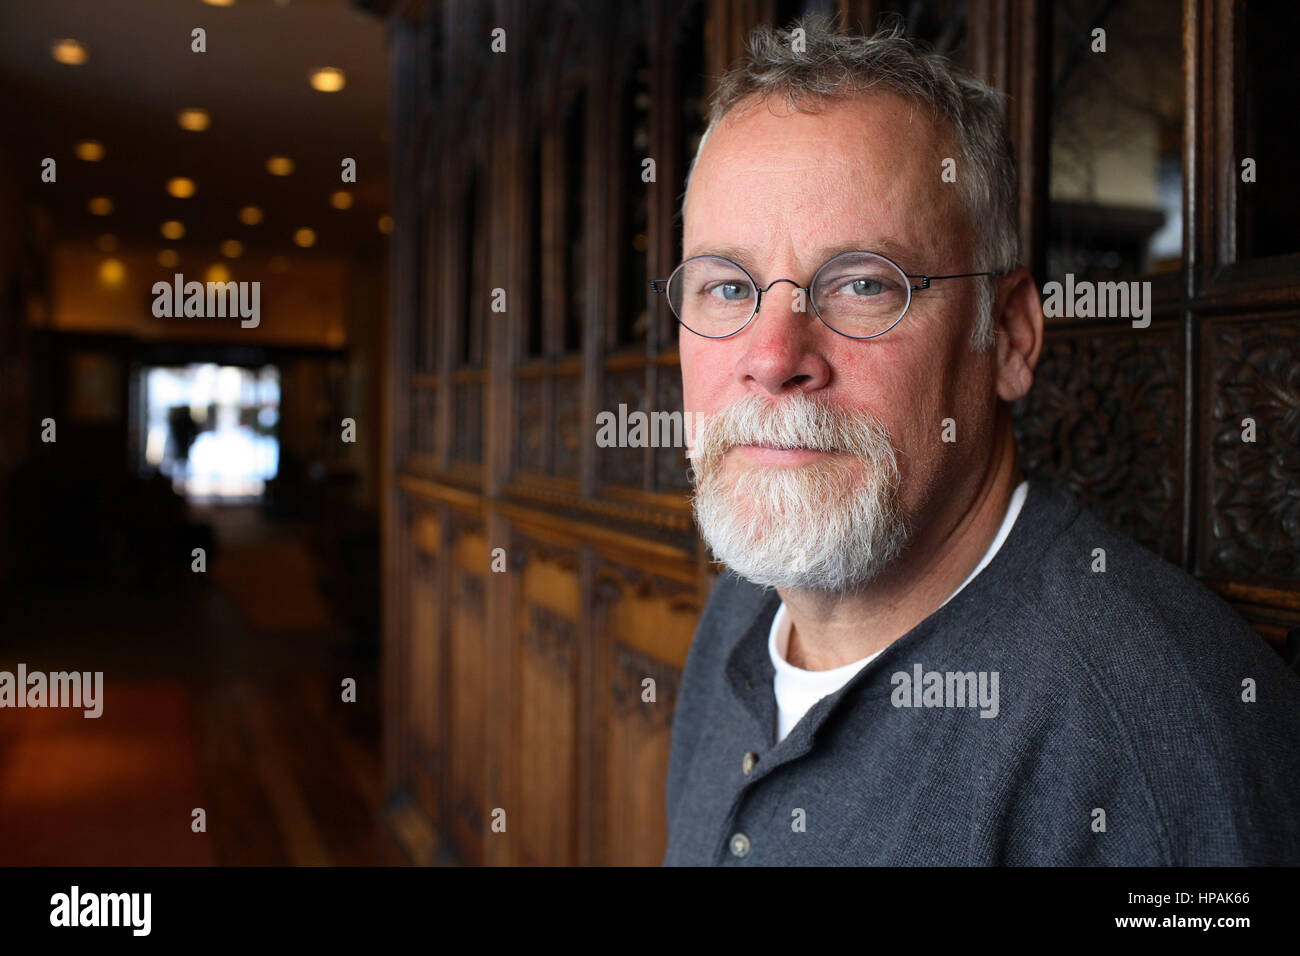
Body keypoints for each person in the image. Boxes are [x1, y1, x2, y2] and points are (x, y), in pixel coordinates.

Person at [660, 13, 1300, 865]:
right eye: (728, 287)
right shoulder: (740, 607)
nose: (774, 357)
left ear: (1007, 337)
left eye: (860, 283)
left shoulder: (1164, 739)